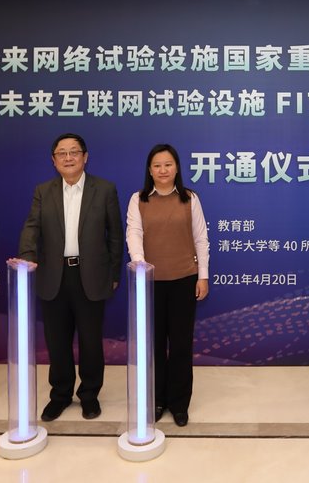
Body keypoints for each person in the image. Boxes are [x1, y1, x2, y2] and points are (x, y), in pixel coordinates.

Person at [19, 133, 123, 422]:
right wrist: (27, 256)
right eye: (61, 153)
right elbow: (31, 227)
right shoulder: (43, 191)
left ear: (85, 157)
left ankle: (89, 395)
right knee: (57, 341)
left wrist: (114, 273)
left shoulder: (104, 189)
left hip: (91, 275)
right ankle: (60, 395)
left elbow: (115, 235)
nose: (68, 157)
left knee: (91, 341)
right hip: (54, 275)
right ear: (53, 160)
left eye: (74, 152)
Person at [125, 144, 210, 427]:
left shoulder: (190, 198)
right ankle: (157, 399)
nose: (163, 170)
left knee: (181, 345)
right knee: (155, 345)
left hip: (184, 280)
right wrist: (140, 265)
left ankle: (179, 403)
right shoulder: (138, 199)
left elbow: (201, 239)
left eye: (168, 164)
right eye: (157, 165)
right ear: (150, 170)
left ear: (177, 168)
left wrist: (203, 275)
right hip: (151, 283)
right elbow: (134, 233)